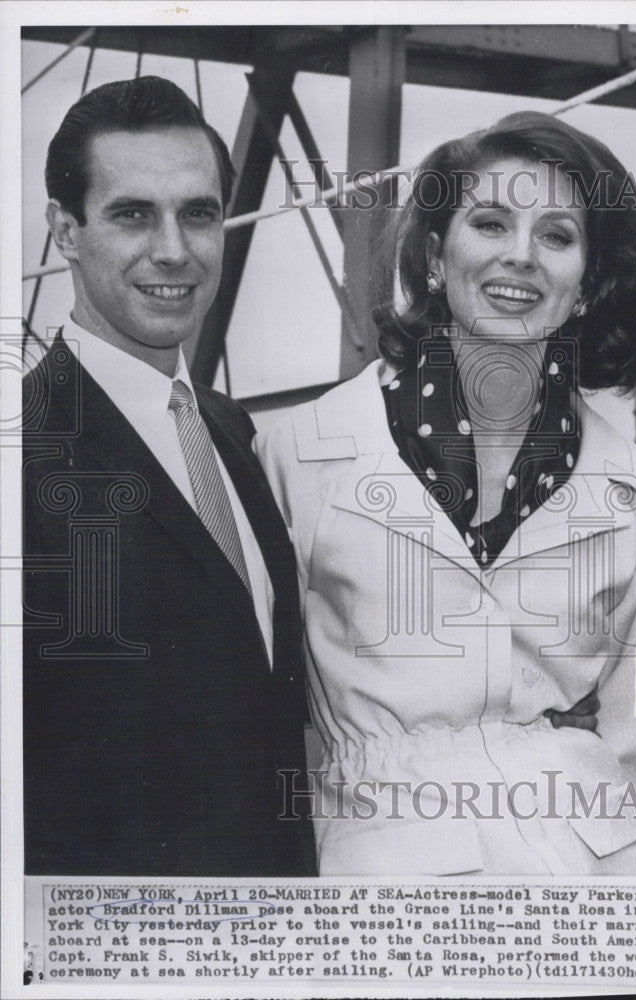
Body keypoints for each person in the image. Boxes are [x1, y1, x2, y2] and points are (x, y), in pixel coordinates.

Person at [255, 111, 636, 876]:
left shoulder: (633, 494)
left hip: (591, 873)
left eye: (556, 235)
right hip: (378, 872)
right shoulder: (300, 455)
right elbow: (261, 698)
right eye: (489, 223)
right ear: (433, 255)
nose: (519, 257)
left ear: (585, 283)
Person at [23, 76, 314, 876]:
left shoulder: (229, 428)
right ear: (65, 231)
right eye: (131, 214)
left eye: (198, 212)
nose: (174, 250)